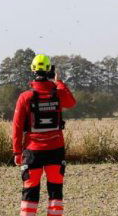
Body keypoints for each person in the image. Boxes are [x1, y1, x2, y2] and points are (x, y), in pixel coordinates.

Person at [12, 54, 77, 216]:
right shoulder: (58, 93)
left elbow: (17, 127)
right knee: (55, 192)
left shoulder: (25, 97)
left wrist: (17, 152)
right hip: (55, 150)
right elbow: (71, 103)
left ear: (32, 70)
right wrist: (59, 82)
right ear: (50, 70)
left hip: (32, 152)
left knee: (30, 191)